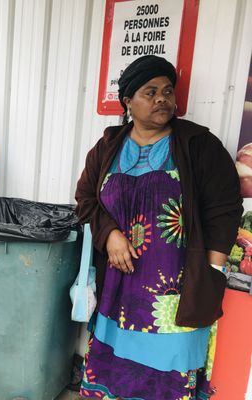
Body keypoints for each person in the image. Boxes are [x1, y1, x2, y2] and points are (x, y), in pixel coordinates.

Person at [74, 55, 242, 399]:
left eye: (167, 91)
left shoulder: (199, 146)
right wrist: (109, 235)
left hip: (177, 287)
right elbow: (86, 199)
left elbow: (225, 208)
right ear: (128, 103)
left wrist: (212, 268)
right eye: (150, 92)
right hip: (118, 287)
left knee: (170, 366)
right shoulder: (107, 148)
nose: (162, 98)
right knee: (116, 366)